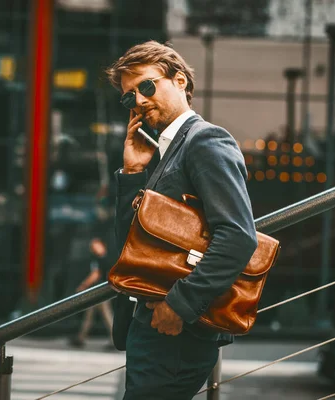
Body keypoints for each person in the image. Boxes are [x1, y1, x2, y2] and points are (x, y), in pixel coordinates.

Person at [105, 40, 258, 399]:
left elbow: (237, 236)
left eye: (146, 86)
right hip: (153, 326)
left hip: (176, 331)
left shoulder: (206, 141)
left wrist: (180, 305)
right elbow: (131, 244)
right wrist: (132, 172)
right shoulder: (166, 150)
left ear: (180, 82)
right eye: (129, 97)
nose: (139, 101)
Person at [69, 237, 115, 349]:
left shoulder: (102, 259)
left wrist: (83, 285)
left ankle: (114, 341)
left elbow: (96, 274)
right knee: (90, 316)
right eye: (93, 246)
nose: (94, 248)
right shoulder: (101, 258)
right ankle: (81, 338)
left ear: (102, 245)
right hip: (97, 292)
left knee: (107, 316)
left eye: (96, 245)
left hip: (100, 292)